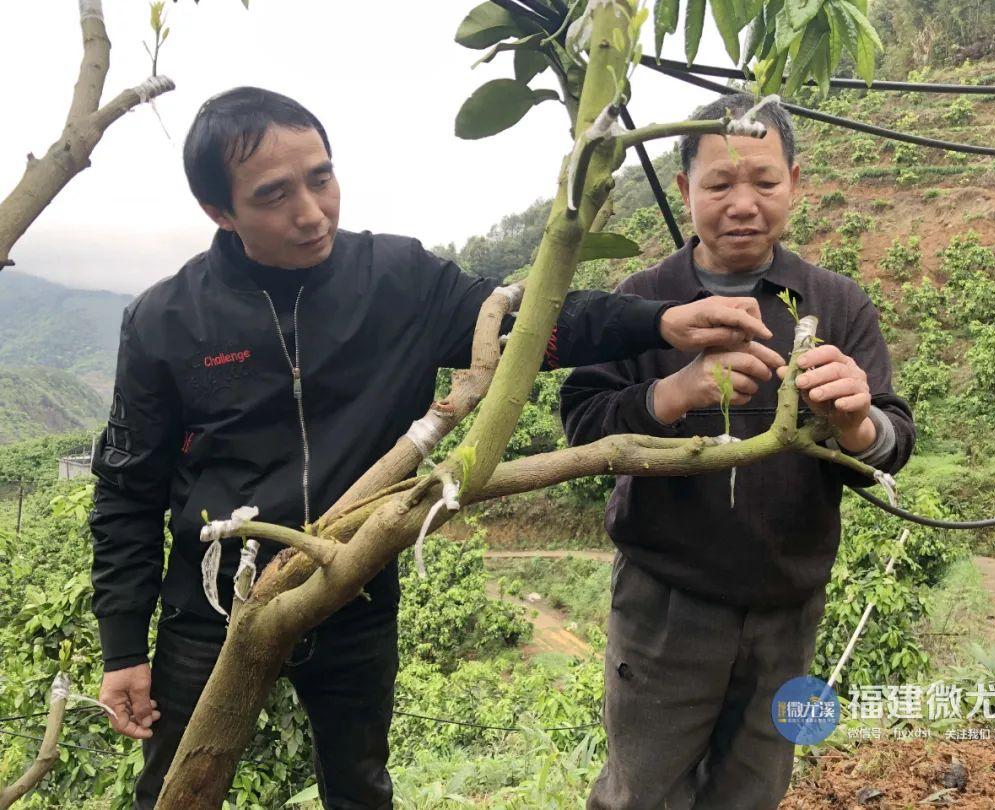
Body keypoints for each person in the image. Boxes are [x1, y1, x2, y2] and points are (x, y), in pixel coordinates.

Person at [89, 86, 774, 809]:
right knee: (175, 790)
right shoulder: (166, 321)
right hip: (214, 604)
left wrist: (661, 322)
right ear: (219, 212)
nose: (312, 211)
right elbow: (128, 490)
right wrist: (123, 646)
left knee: (360, 789)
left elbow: (530, 320)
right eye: (274, 194)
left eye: (322, 177)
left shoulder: (398, 281)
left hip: (352, 586)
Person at [560, 93, 916, 810]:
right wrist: (677, 392)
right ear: (687, 190)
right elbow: (582, 425)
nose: (743, 203)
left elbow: (893, 442)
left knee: (754, 793)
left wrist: (855, 423)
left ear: (796, 183)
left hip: (790, 608)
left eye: (764, 181)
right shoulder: (643, 299)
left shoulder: (834, 303)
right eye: (720, 185)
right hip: (666, 608)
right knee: (642, 795)